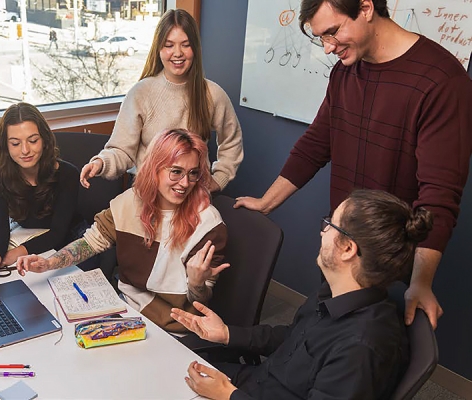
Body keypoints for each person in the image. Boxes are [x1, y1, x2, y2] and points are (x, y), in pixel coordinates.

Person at [234, 0, 472, 329]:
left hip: (386, 258)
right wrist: (266, 202)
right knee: (319, 341)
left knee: (364, 355)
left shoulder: (441, 81)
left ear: (365, 7)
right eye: (321, 37)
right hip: (340, 241)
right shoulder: (346, 71)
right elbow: (317, 143)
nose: (329, 47)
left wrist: (421, 282)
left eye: (333, 32)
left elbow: (440, 196)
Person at [172, 189, 433, 399]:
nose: (322, 231)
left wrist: (229, 396)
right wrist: (227, 333)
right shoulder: (334, 293)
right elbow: (294, 339)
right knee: (169, 367)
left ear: (348, 249)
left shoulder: (361, 349)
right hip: (257, 382)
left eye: (331, 224)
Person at [17, 129, 229, 332]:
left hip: (172, 328)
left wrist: (197, 282)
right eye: (176, 172)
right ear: (155, 168)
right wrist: (49, 263)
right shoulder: (131, 201)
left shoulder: (208, 224)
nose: (185, 183)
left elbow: (200, 302)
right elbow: (91, 241)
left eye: (193, 174)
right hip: (126, 310)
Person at [80, 9, 243, 193]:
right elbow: (122, 151)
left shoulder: (212, 94)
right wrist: (101, 163)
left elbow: (232, 140)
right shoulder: (140, 93)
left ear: (195, 49)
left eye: (185, 45)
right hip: (147, 196)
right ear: (159, 48)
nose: (177, 53)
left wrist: (219, 178)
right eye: (169, 45)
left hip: (192, 195)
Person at [0, 102, 87, 287]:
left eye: (33, 141)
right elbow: (0, 229)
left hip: (67, 242)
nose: (25, 150)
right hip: (30, 241)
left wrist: (11, 256)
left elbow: (58, 233)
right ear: (6, 146)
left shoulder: (68, 174)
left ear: (44, 140)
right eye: (15, 143)